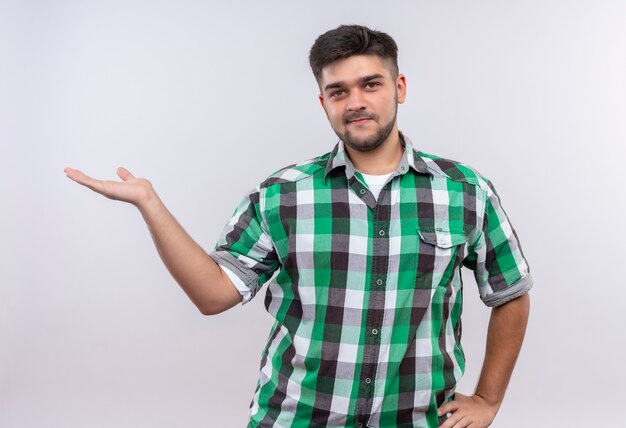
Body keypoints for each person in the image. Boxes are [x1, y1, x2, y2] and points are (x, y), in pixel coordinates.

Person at [65, 25, 532, 428]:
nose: (356, 102)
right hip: (297, 416)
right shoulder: (281, 194)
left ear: (400, 87)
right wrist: (150, 203)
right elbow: (212, 295)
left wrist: (489, 398)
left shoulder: (465, 190)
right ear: (323, 101)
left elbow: (510, 290)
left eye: (371, 85)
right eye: (338, 91)